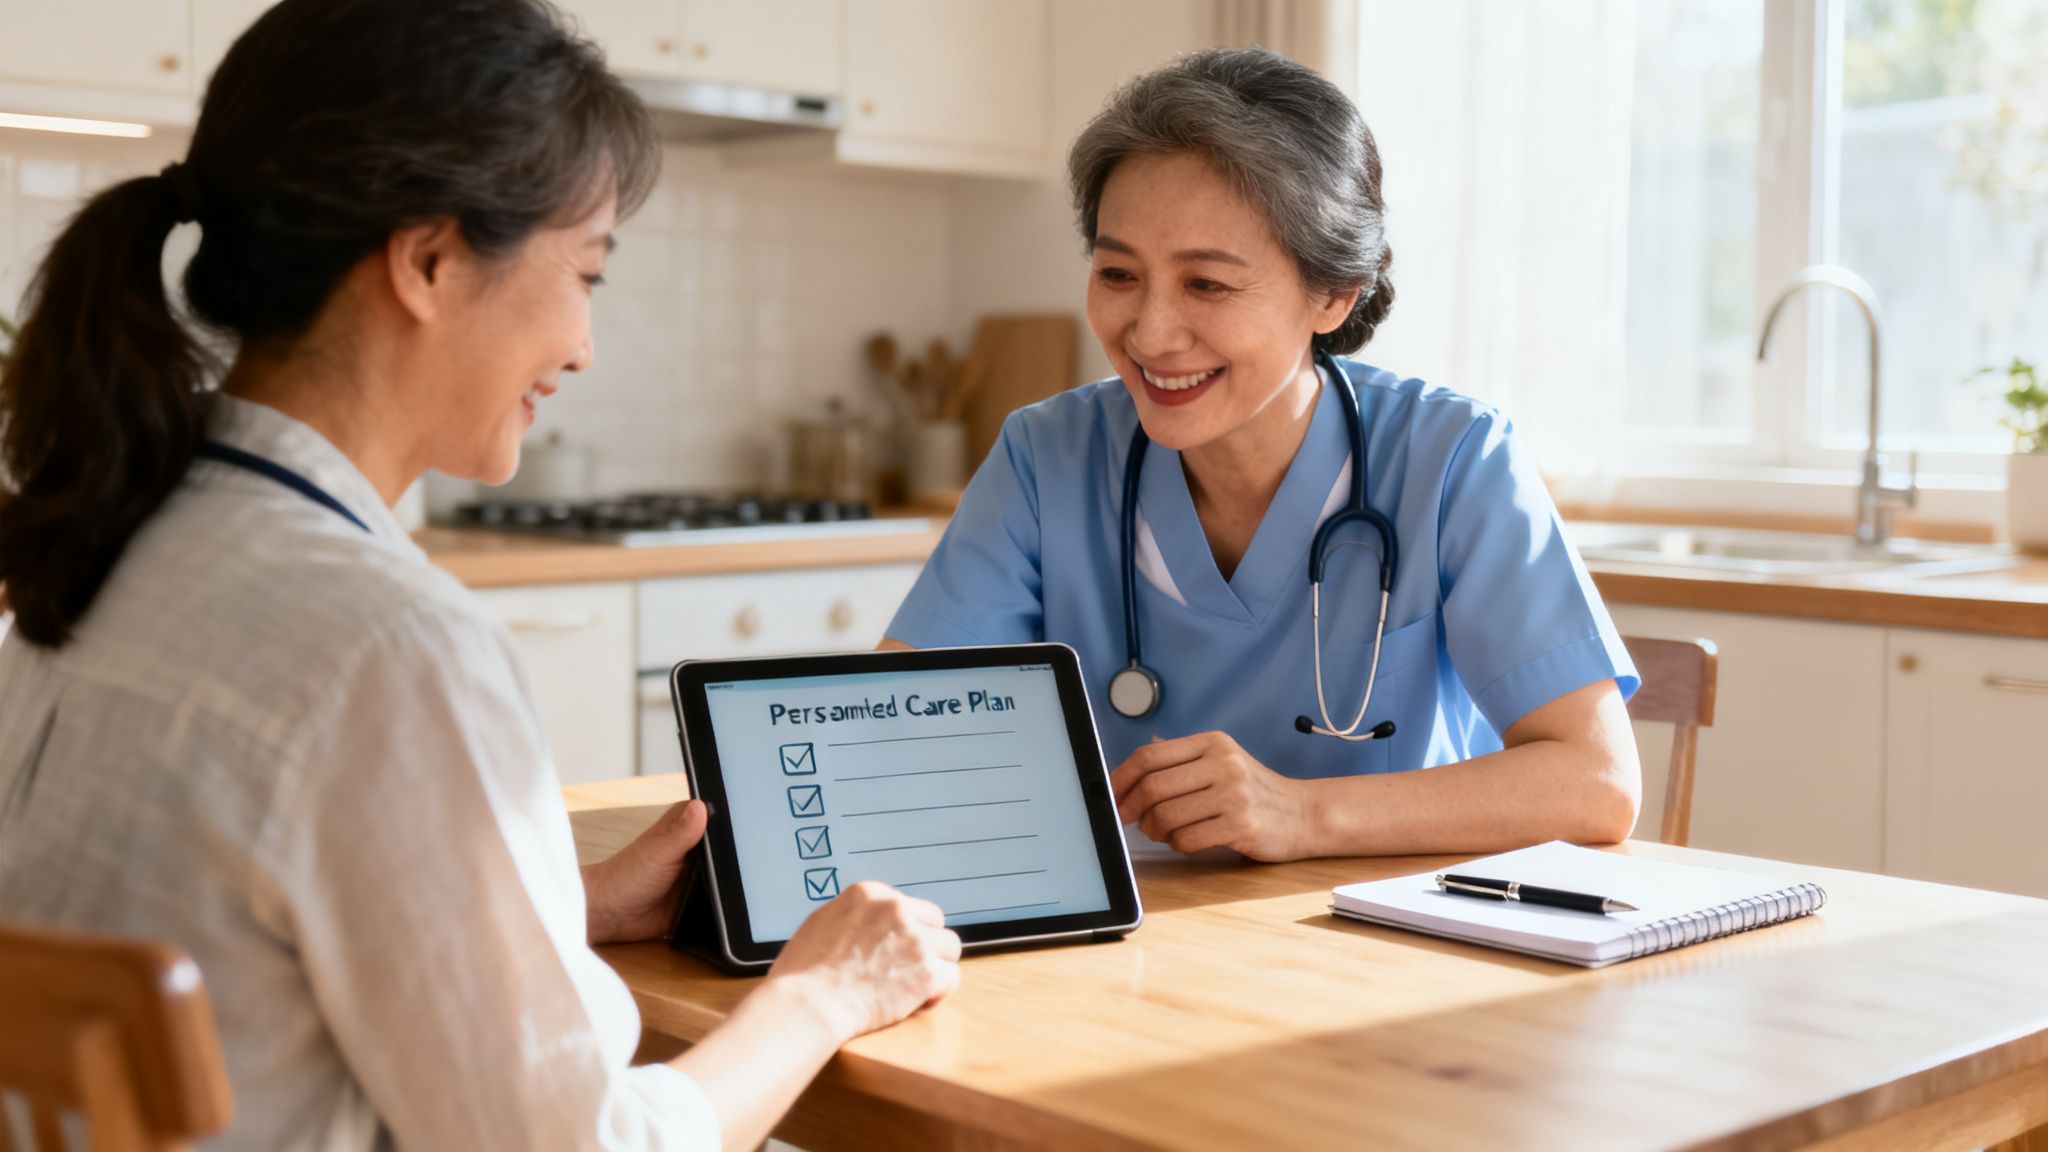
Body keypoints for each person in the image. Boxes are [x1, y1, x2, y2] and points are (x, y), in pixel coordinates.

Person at [0, 1, 956, 1148]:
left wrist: (561, 904)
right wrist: (823, 993)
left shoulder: (118, 544)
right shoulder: (385, 646)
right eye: (586, 274)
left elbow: (229, 918)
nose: (583, 346)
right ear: (431, 260)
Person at [882, 48, 1642, 863]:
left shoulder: (1452, 459)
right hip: (1117, 950)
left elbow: (1595, 782)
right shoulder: (1046, 457)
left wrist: (1303, 815)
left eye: (1206, 284)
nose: (1149, 333)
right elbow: (899, 737)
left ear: (1331, 295)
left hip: (1379, 954)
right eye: (1117, 273)